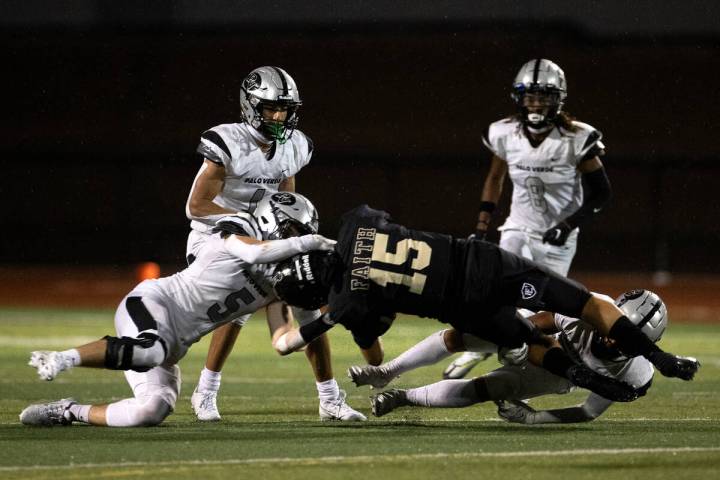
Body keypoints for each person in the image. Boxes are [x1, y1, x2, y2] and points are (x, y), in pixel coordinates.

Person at [269, 205, 699, 403]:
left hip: (462, 304)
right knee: (583, 301)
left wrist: (316, 317)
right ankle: (658, 356)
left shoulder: (345, 304)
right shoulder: (354, 222)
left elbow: (294, 344)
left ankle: (584, 377)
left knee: (527, 339)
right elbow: (374, 224)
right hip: (483, 262)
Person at [20, 193, 365, 426]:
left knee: (151, 410)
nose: (298, 240)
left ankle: (68, 411)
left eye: (304, 233)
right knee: (148, 351)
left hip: (172, 344)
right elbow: (256, 254)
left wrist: (329, 317)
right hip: (151, 304)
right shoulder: (236, 233)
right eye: (294, 230)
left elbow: (285, 343)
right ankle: (64, 358)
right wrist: (318, 242)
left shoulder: (283, 281)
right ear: (269, 220)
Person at [184, 66, 356, 421]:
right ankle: (205, 390)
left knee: (309, 297)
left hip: (265, 238)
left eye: (285, 109)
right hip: (215, 237)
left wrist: (291, 235)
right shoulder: (228, 141)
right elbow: (196, 206)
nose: (278, 116)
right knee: (241, 304)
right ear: (250, 106)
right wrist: (248, 222)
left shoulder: (294, 145)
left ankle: (329, 399)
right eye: (270, 109)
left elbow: (285, 199)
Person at [444, 58, 612, 380]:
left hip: (557, 236)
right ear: (518, 98)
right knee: (498, 290)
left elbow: (602, 193)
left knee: (537, 307)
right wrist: (481, 227)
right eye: (530, 96)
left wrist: (567, 225)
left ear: (557, 99)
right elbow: (495, 179)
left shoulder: (577, 137)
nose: (535, 104)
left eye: (543, 97)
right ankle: (476, 348)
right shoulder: (504, 132)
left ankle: (514, 353)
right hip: (517, 227)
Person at [349, 290, 669, 421]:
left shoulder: (635, 375)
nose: (614, 342)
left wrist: (534, 419)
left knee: (488, 389)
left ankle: (403, 397)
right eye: (616, 330)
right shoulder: (593, 308)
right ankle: (388, 370)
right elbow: (546, 319)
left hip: (556, 374)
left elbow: (587, 411)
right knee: (465, 336)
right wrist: (508, 336)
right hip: (543, 337)